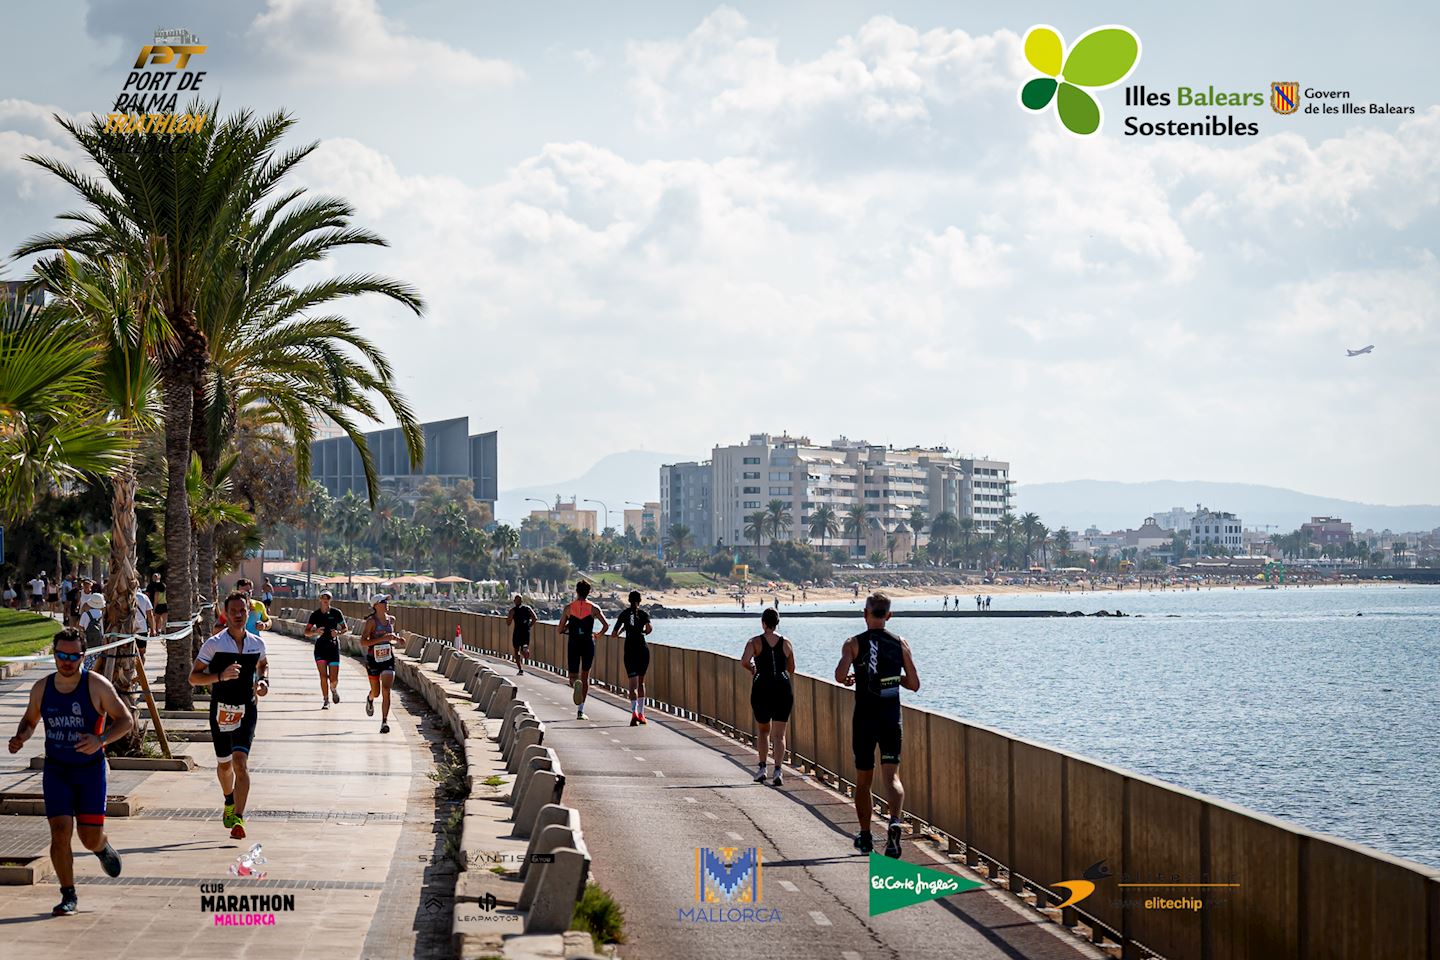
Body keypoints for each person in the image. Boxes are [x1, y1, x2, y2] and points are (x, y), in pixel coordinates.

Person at [8, 627, 131, 915]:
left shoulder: (97, 686)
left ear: (82, 656)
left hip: (89, 773)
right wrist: (20, 738)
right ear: (54, 655)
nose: (66, 661)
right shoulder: (42, 688)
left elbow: (125, 721)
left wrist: (100, 740)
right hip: (57, 771)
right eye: (61, 655)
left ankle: (102, 848)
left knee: (89, 838)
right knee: (60, 831)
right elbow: (29, 720)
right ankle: (68, 894)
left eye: (73, 656)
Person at [835, 592, 920, 858]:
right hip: (891, 716)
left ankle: (866, 835)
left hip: (865, 717)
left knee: (864, 780)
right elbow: (915, 684)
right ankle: (894, 822)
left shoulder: (853, 643)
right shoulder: (900, 643)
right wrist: (895, 678)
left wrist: (852, 677)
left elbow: (839, 675)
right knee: (892, 776)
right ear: (889, 616)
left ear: (865, 614)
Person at [190, 592, 270, 840]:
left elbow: (263, 665)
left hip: (247, 708)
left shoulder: (257, 643)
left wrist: (264, 681)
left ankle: (238, 817)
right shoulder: (214, 644)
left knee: (240, 763)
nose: (238, 615)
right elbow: (194, 677)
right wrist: (220, 677)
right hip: (221, 711)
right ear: (226, 614)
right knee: (224, 765)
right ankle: (228, 800)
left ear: (248, 613)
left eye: (242, 611)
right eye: (233, 611)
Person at [741, 608, 794, 786]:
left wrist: (753, 670)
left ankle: (762, 767)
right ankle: (778, 770)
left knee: (764, 730)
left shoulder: (754, 642)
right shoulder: (786, 642)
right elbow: (792, 668)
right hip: (782, 687)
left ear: (763, 623)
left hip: (762, 686)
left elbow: (744, 661)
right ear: (777, 622)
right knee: (779, 735)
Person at [557, 581, 608, 721]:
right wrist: (597, 635)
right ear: (588, 592)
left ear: (577, 591)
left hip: (574, 643)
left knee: (573, 676)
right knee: (585, 676)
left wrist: (569, 626)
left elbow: (560, 629)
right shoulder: (594, 608)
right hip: (588, 643)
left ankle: (574, 685)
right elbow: (605, 625)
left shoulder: (568, 608)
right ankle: (580, 711)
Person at [611, 591, 652, 726]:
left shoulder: (623, 614)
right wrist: (643, 632)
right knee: (641, 683)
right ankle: (641, 714)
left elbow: (614, 634)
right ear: (640, 601)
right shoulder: (643, 613)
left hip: (630, 650)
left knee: (632, 685)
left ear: (628, 600)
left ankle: (633, 712)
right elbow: (649, 628)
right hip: (642, 648)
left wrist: (624, 629)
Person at [359, 595, 397, 733]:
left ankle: (384, 722)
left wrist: (398, 640)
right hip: (373, 659)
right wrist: (382, 639)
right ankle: (370, 698)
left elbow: (390, 638)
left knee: (386, 689)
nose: (387, 603)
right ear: (376, 605)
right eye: (384, 601)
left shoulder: (391, 620)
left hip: (388, 658)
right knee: (376, 693)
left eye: (387, 601)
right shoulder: (371, 622)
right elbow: (363, 642)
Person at [304, 591, 347, 709]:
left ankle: (333, 689)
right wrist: (315, 632)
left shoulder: (336, 613)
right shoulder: (315, 614)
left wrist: (338, 632)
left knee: (333, 679)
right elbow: (306, 632)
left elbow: (345, 628)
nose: (325, 599)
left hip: (333, 647)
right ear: (320, 599)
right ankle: (326, 700)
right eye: (323, 597)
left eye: (328, 597)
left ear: (331, 599)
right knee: (323, 676)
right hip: (320, 647)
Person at [506, 595, 536, 675]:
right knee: (524, 646)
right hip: (526, 632)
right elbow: (535, 618)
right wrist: (529, 625)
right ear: (522, 601)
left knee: (516, 651)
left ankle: (520, 669)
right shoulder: (528, 608)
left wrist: (509, 618)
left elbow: (508, 622)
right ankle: (525, 650)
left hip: (517, 632)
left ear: (515, 601)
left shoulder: (513, 610)